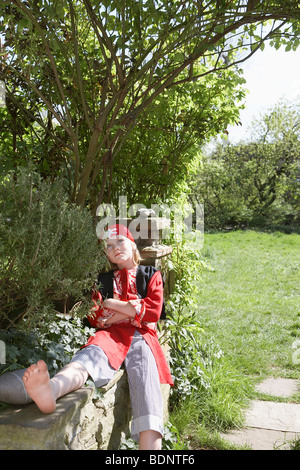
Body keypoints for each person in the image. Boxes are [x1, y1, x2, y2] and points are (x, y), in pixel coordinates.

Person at [22, 224, 173, 450]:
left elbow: (153, 311)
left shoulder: (151, 274)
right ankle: (51, 390)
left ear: (133, 245)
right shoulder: (103, 281)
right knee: (87, 357)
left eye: (120, 241)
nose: (115, 248)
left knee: (146, 381)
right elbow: (95, 316)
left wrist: (112, 304)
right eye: (109, 246)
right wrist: (127, 312)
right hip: (110, 335)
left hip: (142, 337)